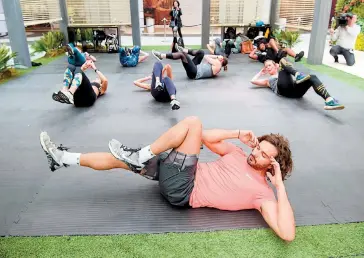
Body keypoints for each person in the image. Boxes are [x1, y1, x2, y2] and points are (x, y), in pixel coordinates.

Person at [39, 116, 295, 242]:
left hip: (184, 188)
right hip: (179, 172)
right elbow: (206, 137)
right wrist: (237, 133)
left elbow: (287, 233)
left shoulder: (262, 193)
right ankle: (62, 158)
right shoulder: (238, 153)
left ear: (273, 165)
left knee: (192, 122)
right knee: (119, 159)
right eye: (258, 147)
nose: (255, 153)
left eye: (263, 155)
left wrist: (279, 185)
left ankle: (140, 156)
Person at [251, 58, 344, 111]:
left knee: (313, 77)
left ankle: (329, 100)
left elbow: (285, 66)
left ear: (275, 66)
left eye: (269, 65)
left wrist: (283, 66)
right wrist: (260, 72)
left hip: (296, 91)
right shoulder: (268, 80)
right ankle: (297, 74)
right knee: (283, 60)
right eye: (266, 67)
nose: (267, 68)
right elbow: (253, 81)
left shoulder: (282, 70)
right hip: (283, 90)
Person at [152, 45, 228, 80]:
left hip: (194, 73)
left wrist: (217, 56)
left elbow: (206, 57)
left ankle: (161, 56)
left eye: (220, 58)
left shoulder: (218, 64)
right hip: (196, 68)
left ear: (221, 60)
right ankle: (183, 49)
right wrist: (217, 57)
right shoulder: (218, 65)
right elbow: (204, 55)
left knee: (182, 55)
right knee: (201, 52)